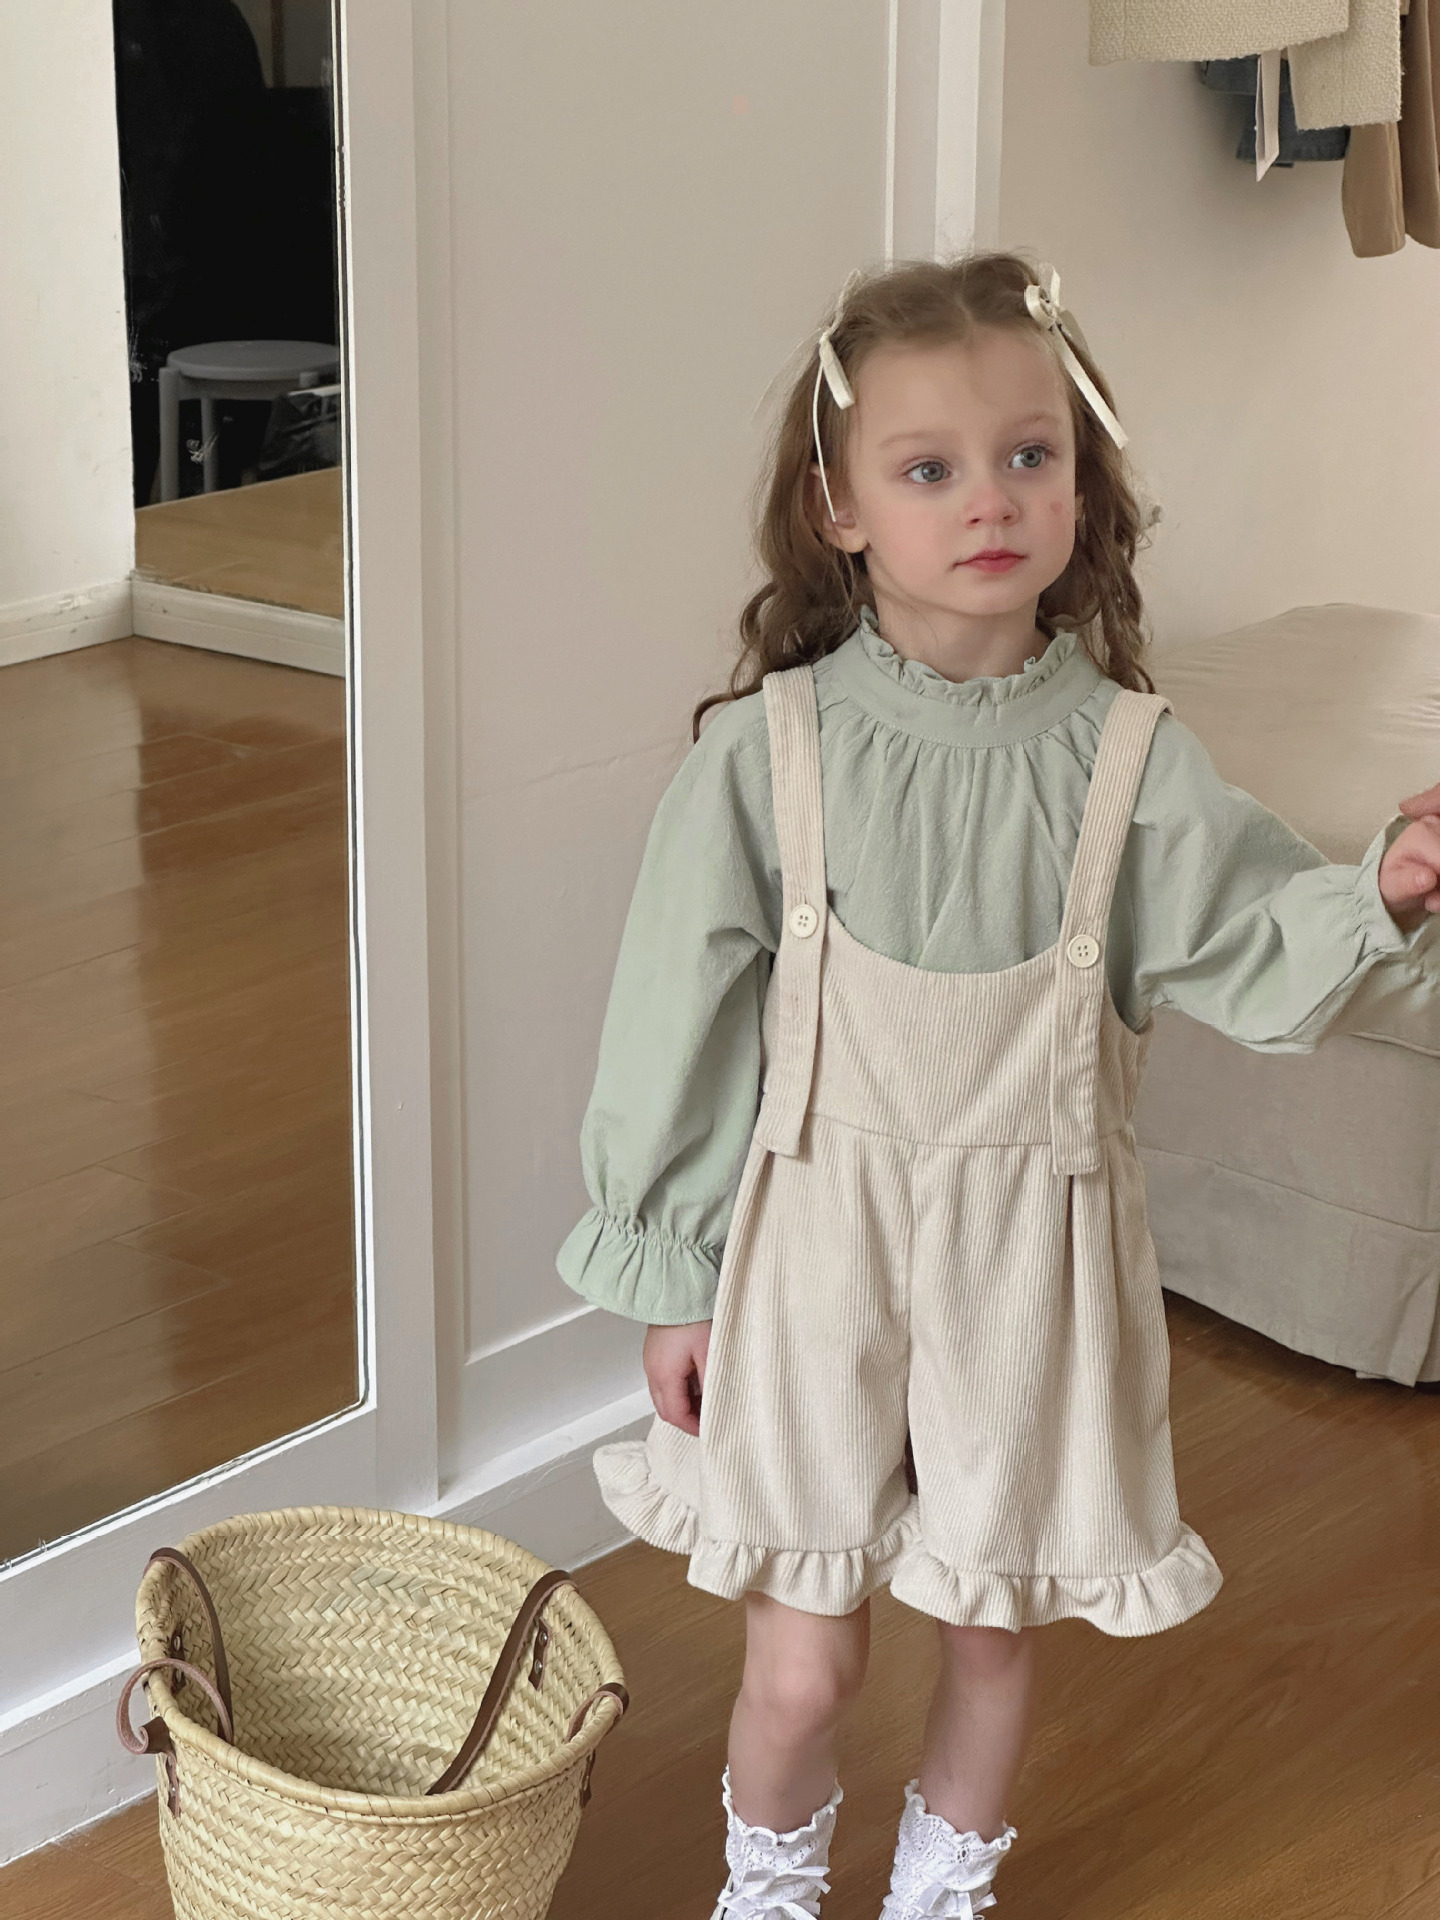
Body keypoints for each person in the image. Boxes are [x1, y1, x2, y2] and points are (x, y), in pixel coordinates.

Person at [555, 250, 1440, 1919]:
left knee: (991, 1633)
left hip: (1036, 1270)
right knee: (803, 1664)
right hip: (810, 1260)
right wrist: (674, 1276)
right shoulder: (766, 755)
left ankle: (938, 1895)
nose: (989, 499)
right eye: (929, 467)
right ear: (837, 508)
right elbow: (672, 1027)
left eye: (1032, 454)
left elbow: (1259, 939)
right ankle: (768, 1893)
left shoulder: (1134, 760)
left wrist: (1380, 895)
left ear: (1081, 483)